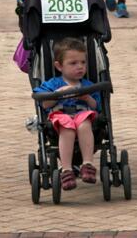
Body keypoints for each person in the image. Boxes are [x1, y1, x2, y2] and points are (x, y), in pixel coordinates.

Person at [33, 38, 101, 190]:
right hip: (60, 116)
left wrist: (87, 98)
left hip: (82, 114)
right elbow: (44, 104)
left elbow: (97, 106)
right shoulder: (52, 84)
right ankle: (67, 169)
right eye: (73, 63)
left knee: (84, 123)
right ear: (59, 66)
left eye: (83, 63)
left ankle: (87, 164)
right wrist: (57, 94)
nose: (80, 67)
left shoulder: (88, 85)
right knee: (67, 128)